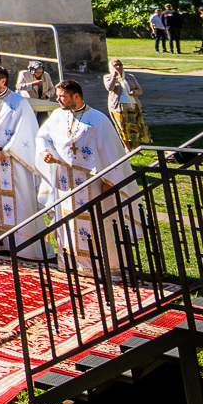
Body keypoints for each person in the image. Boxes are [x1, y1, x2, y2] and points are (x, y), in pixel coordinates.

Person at [38, 79, 129, 278]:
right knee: (68, 222)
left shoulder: (98, 120)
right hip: (65, 182)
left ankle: (102, 267)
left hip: (92, 183)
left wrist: (109, 182)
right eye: (57, 96)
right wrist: (45, 151)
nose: (58, 100)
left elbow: (111, 152)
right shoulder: (57, 116)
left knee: (97, 224)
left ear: (76, 96)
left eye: (62, 96)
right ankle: (71, 264)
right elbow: (42, 136)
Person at [0, 65, 49, 257]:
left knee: (19, 202)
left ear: (3, 80)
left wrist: (6, 152)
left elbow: (25, 133)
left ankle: (24, 247)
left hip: (14, 162)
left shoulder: (19, 103)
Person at [102, 59, 148, 149]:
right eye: (116, 65)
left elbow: (140, 89)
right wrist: (114, 77)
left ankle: (136, 148)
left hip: (133, 104)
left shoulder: (130, 77)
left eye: (120, 64)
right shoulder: (108, 77)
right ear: (111, 67)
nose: (118, 67)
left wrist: (135, 92)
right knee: (122, 128)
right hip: (118, 106)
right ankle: (127, 148)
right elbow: (109, 88)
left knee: (135, 127)